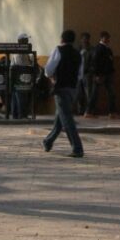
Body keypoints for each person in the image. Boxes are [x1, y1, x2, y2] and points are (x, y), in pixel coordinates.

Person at [42, 29, 84, 158]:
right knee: (60, 117)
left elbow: (48, 70)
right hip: (73, 88)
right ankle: (48, 140)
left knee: (67, 119)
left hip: (61, 88)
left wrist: (52, 77)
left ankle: (77, 148)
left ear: (62, 39)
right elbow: (80, 75)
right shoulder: (78, 54)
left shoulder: (58, 50)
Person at [86, 31, 118, 118]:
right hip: (101, 74)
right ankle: (89, 111)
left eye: (108, 38)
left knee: (110, 93)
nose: (108, 40)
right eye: (106, 38)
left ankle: (112, 112)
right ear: (101, 38)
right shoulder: (99, 49)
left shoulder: (107, 49)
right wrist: (97, 74)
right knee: (95, 93)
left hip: (107, 74)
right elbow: (95, 62)